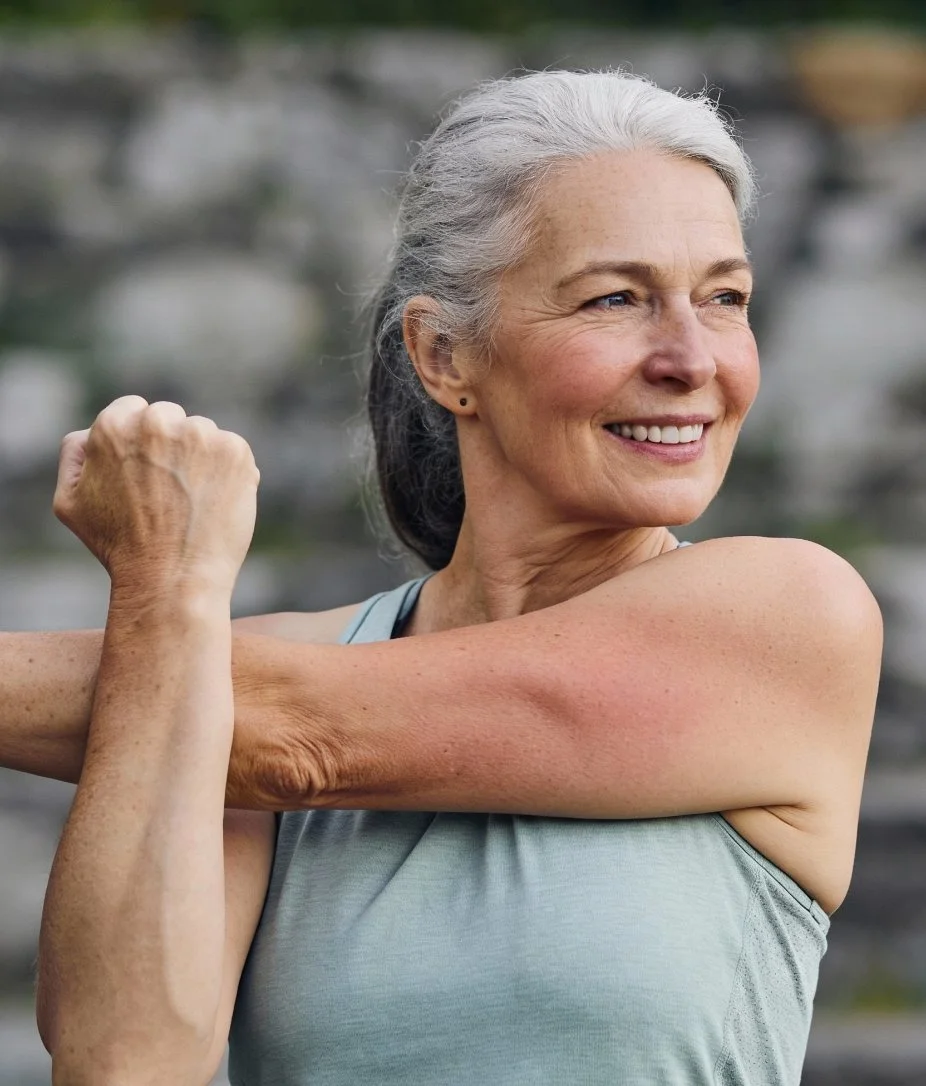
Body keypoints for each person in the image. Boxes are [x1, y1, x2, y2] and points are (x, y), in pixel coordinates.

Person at [0, 69, 881, 1085]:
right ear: (443, 353)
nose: (691, 357)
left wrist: (169, 589)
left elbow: (293, 737)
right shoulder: (227, 682)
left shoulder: (788, 619)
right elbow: (122, 1063)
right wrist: (170, 597)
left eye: (723, 298)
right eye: (615, 298)